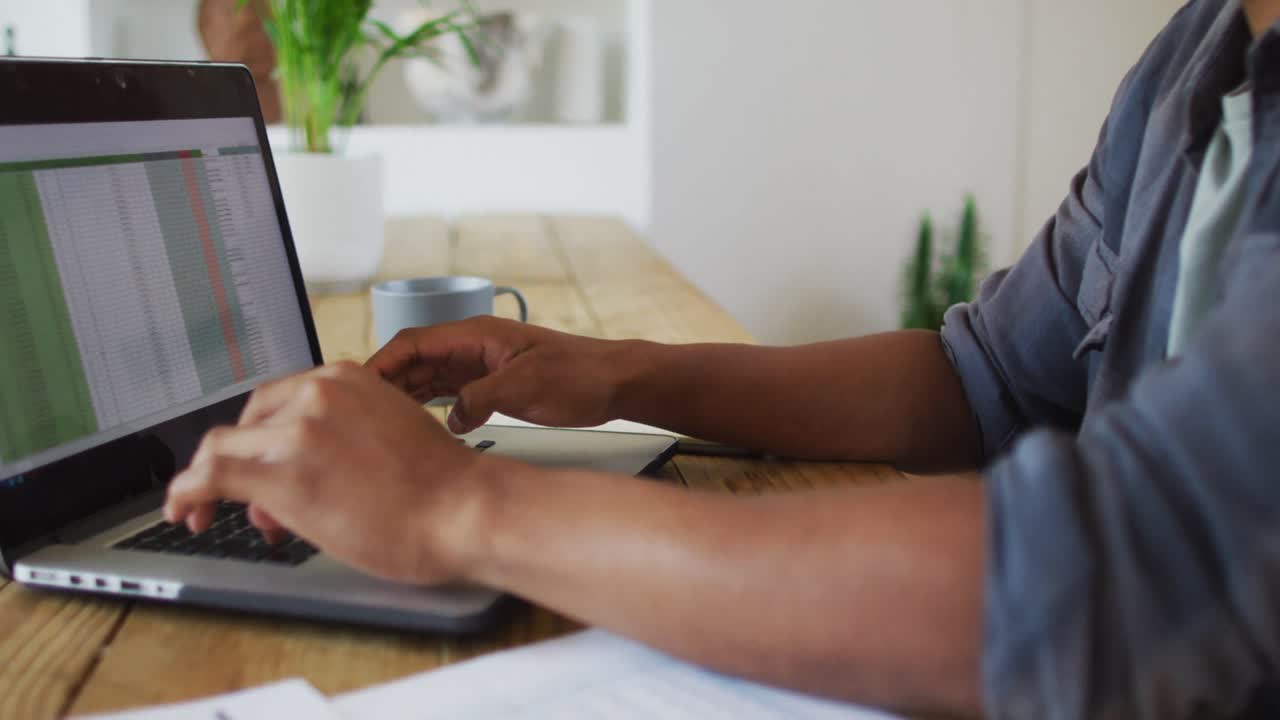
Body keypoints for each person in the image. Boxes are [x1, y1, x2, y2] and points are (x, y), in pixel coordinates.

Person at [163, 1, 1280, 717]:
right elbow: (985, 375)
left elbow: (1137, 568)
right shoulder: (1199, 53)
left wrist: (459, 508)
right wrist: (619, 373)